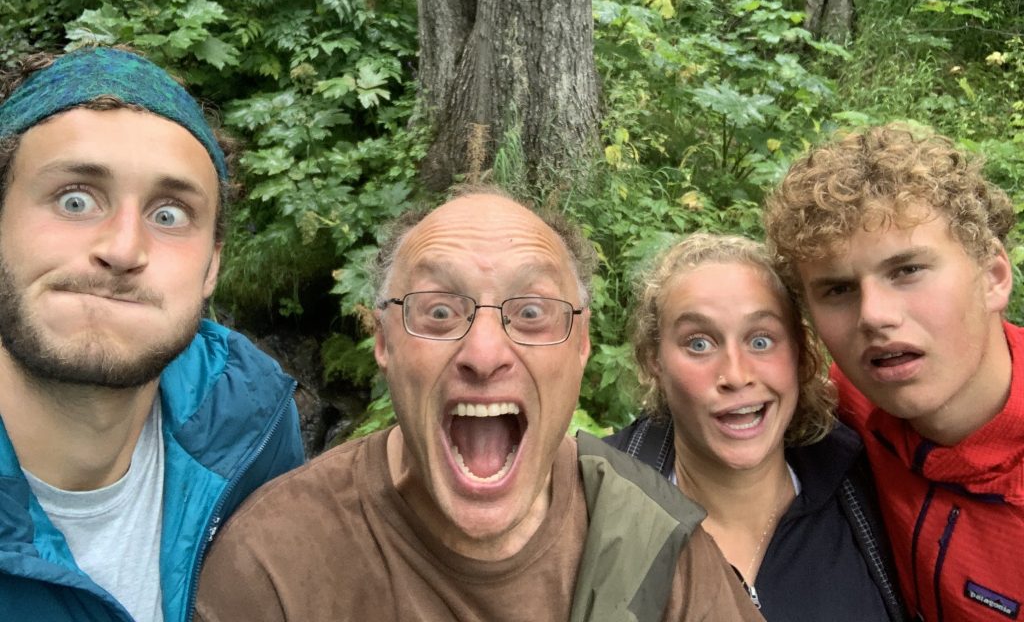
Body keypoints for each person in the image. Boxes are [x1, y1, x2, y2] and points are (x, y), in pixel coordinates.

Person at [195, 187, 763, 621]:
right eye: (439, 312)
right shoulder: (275, 564)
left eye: (533, 313)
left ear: (582, 345)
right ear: (384, 342)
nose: (485, 353)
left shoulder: (655, 543)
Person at [0, 46, 304, 622]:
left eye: (169, 215)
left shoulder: (255, 420)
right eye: (75, 199)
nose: (122, 249)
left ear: (212, 266)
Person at [764, 122, 1023, 621]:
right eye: (837, 290)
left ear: (993, 277)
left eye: (907, 271)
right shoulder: (842, 411)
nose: (874, 316)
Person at [607, 233, 906, 621]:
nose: (735, 374)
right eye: (699, 344)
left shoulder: (871, 486)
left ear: (801, 354)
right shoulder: (591, 506)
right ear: (654, 361)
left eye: (761, 341)